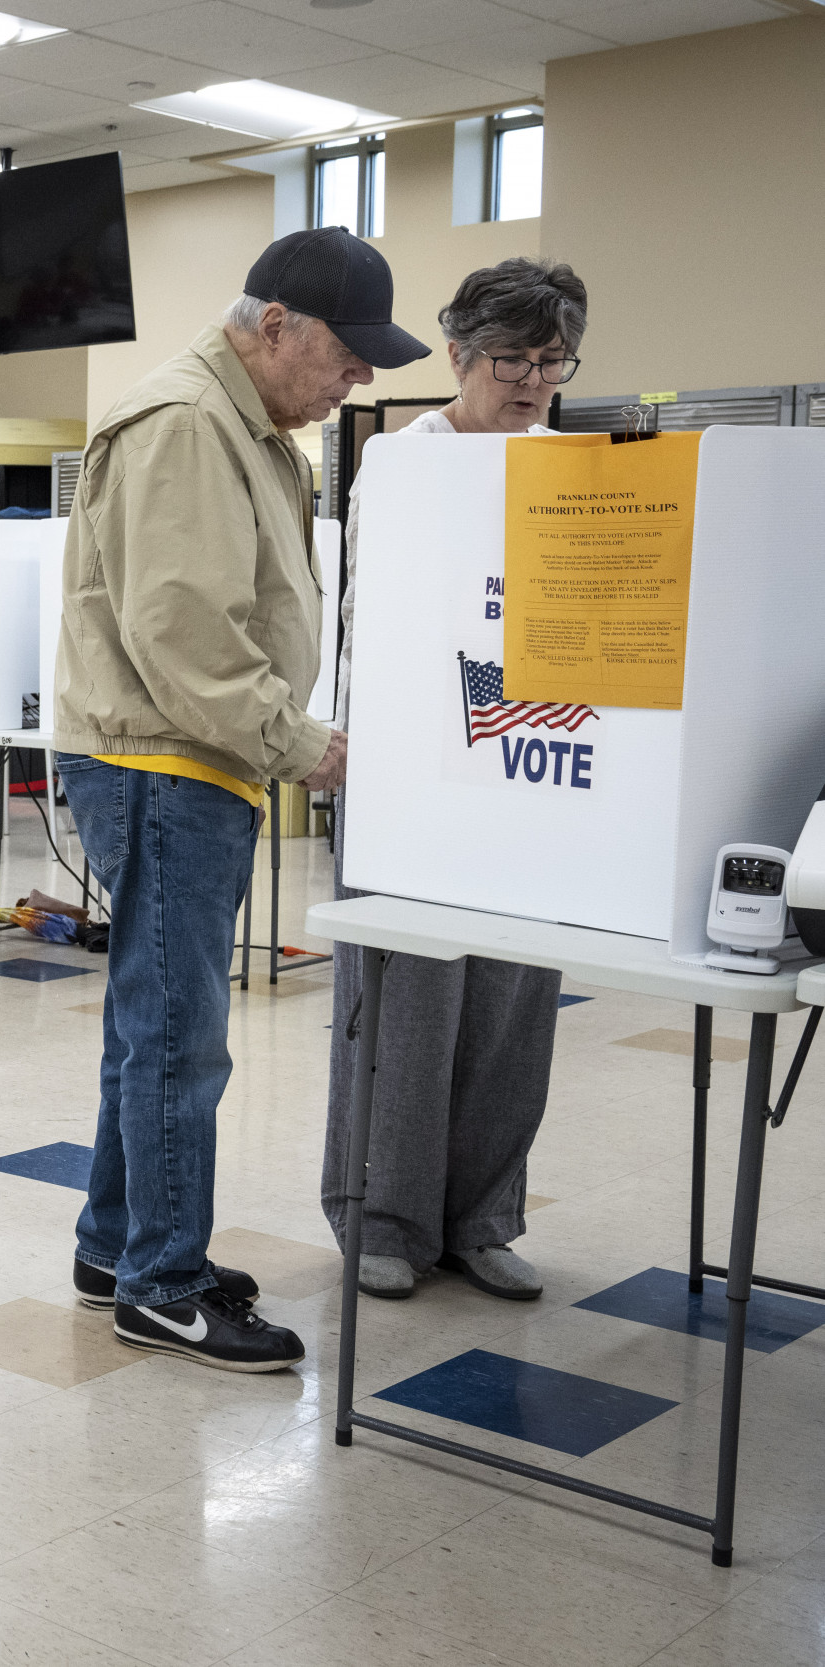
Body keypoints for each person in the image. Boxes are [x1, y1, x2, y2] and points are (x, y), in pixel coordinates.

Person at [52, 227, 429, 1372]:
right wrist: (301, 742)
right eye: (346, 356)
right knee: (179, 1040)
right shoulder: (185, 424)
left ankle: (117, 1245)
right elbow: (185, 635)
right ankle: (161, 1287)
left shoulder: (249, 424)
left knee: (149, 1026)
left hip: (185, 758)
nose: (357, 378)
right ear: (276, 326)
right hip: (167, 760)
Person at [321, 258, 591, 1302]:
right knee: (407, 998)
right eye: (509, 358)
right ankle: (382, 1215)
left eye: (549, 359)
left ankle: (480, 1214)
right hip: (411, 761)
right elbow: (367, 619)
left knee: (513, 999)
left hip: (533, 760)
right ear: (459, 356)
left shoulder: (568, 468)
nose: (529, 380)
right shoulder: (400, 461)